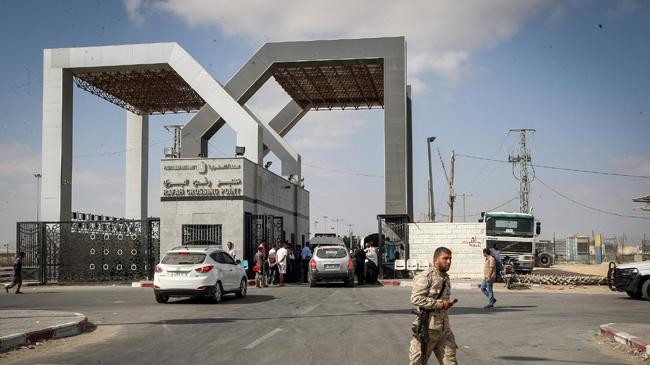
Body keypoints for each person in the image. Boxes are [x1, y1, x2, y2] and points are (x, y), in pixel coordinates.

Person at [408, 247, 457, 365]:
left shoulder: (445, 277)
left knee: (451, 362)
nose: (449, 261)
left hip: (444, 331)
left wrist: (446, 304)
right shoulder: (425, 277)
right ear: (435, 260)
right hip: (427, 330)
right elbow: (416, 298)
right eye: (445, 258)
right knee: (418, 363)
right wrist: (440, 304)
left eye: (450, 258)